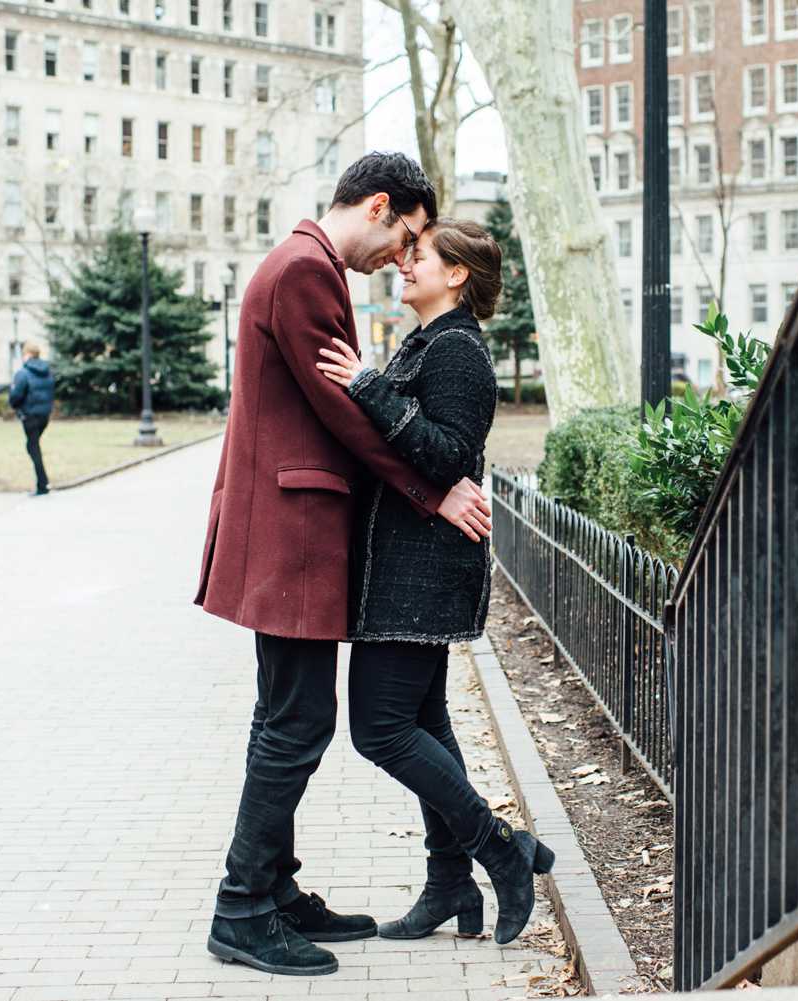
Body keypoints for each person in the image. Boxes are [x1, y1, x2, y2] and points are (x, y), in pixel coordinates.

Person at [194, 153, 493, 978]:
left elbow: (354, 404)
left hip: (291, 528)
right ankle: (243, 909)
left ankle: (274, 889)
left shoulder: (305, 267)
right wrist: (430, 493)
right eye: (405, 237)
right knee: (295, 724)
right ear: (380, 205)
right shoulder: (304, 271)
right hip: (290, 530)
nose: (400, 257)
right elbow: (346, 411)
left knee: (286, 718)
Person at [315, 217, 555, 948]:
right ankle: (450, 882)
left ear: (456, 275)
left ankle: (500, 849)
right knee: (424, 725)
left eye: (418, 254)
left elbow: (449, 454)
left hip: (422, 570)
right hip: (403, 564)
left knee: (381, 727)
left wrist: (365, 385)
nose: (403, 261)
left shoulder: (458, 352)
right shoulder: (427, 342)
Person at [8, 343, 55, 496]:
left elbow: (16, 396)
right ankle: (43, 482)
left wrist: (14, 404)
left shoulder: (23, 373)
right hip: (44, 416)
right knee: (33, 446)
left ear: (27, 354)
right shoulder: (47, 372)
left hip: (30, 415)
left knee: (32, 447)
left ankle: (43, 484)